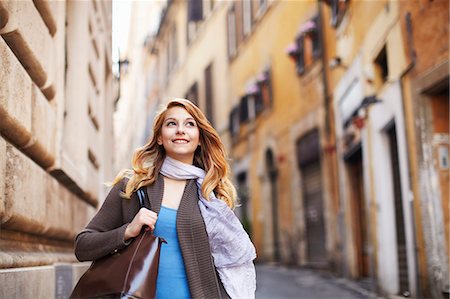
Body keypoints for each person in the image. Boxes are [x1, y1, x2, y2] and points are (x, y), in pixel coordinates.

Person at [74, 99, 256, 299]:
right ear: (160, 137)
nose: (180, 130)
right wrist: (127, 231)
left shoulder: (212, 195)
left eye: (189, 124)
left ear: (200, 138)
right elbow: (83, 247)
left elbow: (228, 269)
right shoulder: (132, 188)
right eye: (171, 124)